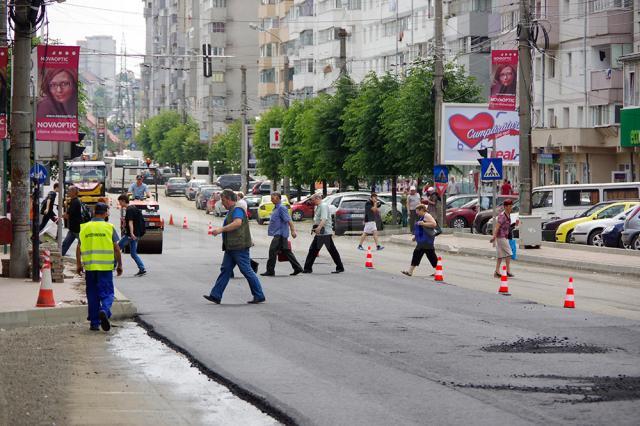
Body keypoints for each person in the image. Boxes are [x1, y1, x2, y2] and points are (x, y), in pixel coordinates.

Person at [204, 189, 265, 304]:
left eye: (223, 200)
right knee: (225, 270)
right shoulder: (232, 210)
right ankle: (215, 295)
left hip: (238, 246)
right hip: (231, 247)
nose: (222, 203)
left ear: (228, 199)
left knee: (246, 270)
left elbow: (237, 223)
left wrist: (221, 230)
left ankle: (259, 295)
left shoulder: (237, 209)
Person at [76, 202, 122, 331]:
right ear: (105, 213)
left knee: (92, 294)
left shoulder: (84, 227)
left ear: (94, 212)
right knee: (107, 293)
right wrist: (120, 265)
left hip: (90, 268)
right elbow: (116, 248)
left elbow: (78, 247)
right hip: (105, 268)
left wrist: (79, 264)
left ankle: (94, 323)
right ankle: (104, 310)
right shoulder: (109, 227)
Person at [261, 192, 303, 276]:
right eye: (271, 198)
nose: (271, 199)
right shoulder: (276, 208)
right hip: (279, 233)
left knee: (272, 251)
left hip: (280, 234)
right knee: (286, 251)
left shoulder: (281, 208)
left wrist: (293, 231)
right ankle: (297, 268)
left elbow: (289, 220)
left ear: (278, 198)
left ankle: (270, 271)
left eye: (273, 198)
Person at [303, 193, 344, 274]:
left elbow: (324, 219)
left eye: (312, 199)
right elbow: (318, 219)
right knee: (327, 250)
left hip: (324, 232)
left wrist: (318, 228)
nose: (312, 201)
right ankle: (340, 267)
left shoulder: (323, 206)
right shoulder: (319, 206)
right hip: (322, 232)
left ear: (317, 198)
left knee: (314, 250)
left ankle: (307, 268)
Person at [402, 204, 439, 277]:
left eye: (418, 211)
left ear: (422, 210)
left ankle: (410, 271)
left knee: (417, 253)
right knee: (431, 255)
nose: (417, 213)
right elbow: (421, 229)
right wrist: (415, 237)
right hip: (424, 240)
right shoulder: (423, 216)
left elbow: (434, 224)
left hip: (426, 240)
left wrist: (423, 223)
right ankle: (438, 270)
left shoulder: (427, 215)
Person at [117, 194, 147, 277]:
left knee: (117, 248)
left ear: (123, 201)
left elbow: (131, 222)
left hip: (131, 235)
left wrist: (131, 233)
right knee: (133, 253)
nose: (119, 204)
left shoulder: (129, 209)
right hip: (136, 234)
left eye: (120, 202)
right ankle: (142, 269)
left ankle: (112, 267)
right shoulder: (133, 208)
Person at [233, 191, 258, 274]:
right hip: (238, 236)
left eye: (237, 196)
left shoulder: (240, 204)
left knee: (240, 256)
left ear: (239, 197)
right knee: (236, 256)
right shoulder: (240, 203)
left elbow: (238, 222)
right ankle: (228, 271)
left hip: (241, 236)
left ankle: (252, 266)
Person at [490, 198, 515, 278]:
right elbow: (497, 227)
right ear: (505, 207)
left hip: (504, 236)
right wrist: (494, 236)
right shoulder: (502, 216)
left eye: (511, 206)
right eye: (509, 206)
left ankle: (497, 272)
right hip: (501, 237)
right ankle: (508, 271)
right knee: (509, 253)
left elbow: (507, 226)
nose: (511, 207)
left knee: (500, 255)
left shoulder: (508, 215)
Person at [62, 186, 82, 256]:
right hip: (73, 228)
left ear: (74, 192)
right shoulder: (74, 201)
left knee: (82, 246)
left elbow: (68, 215)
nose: (68, 192)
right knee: (65, 244)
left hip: (76, 229)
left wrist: (64, 215)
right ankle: (60, 257)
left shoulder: (75, 202)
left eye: (69, 191)